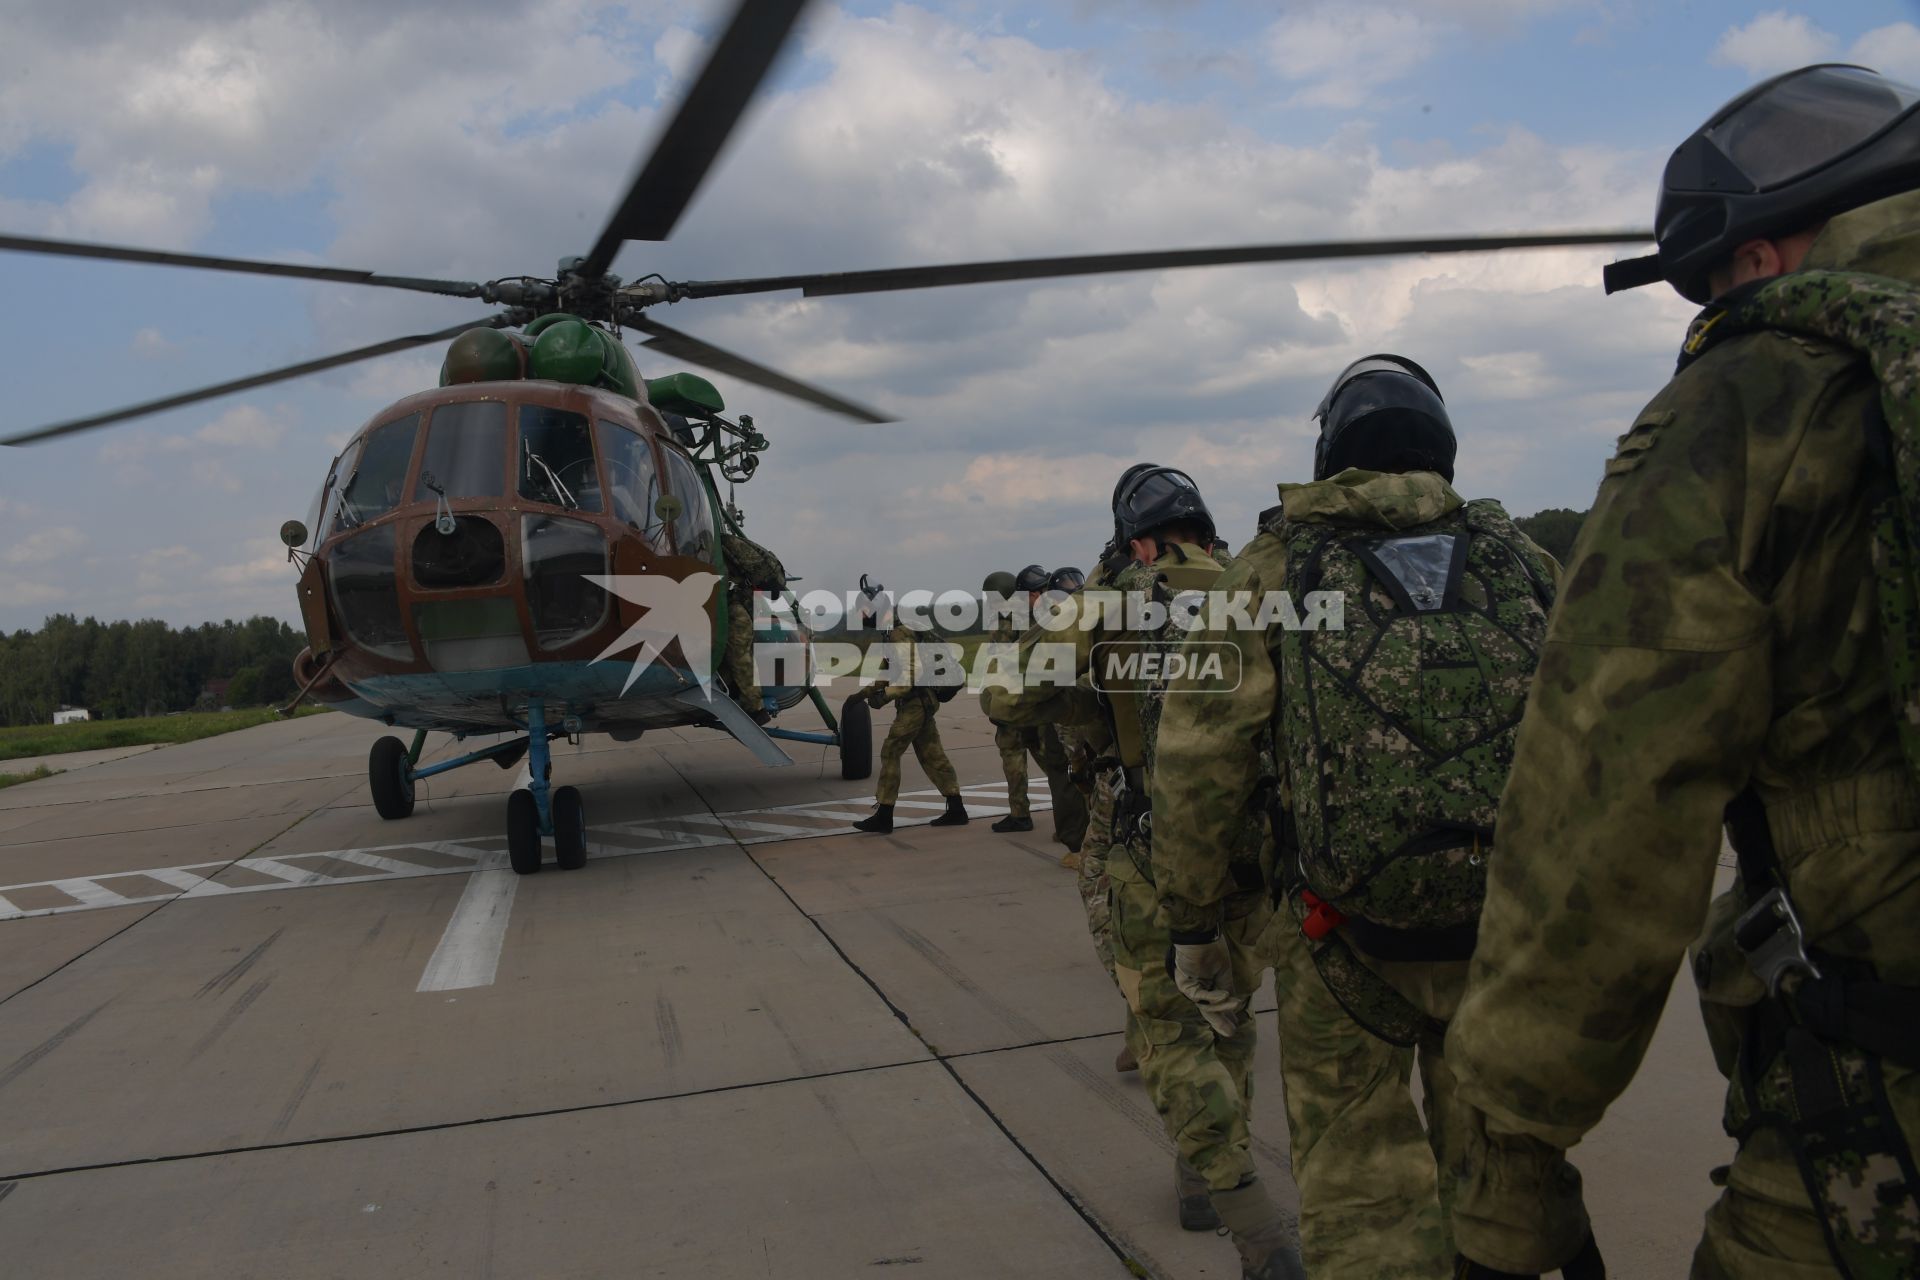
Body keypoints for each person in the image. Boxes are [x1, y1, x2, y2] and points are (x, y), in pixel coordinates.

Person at [1444, 64, 1920, 1278]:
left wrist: (1508, 1161)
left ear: (1758, 259)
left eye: (1711, 289)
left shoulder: (1765, 395)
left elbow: (1602, 807)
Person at [1150, 358, 1558, 1276]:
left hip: (1340, 938)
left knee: (1361, 1186)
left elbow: (1197, 761)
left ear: (1331, 448)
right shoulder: (1522, 562)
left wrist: (1192, 919)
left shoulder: (1273, 569)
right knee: (1497, 1179)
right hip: (1500, 934)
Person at [987, 467, 1304, 1277]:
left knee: (1166, 1031)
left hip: (1152, 849)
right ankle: (1199, 1177)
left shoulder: (1117, 598)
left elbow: (1006, 696)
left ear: (1136, 541)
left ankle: (1249, 1217)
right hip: (1254, 853)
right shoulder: (1261, 586)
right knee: (1227, 1015)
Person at [851, 615, 968, 834]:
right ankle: (956, 808)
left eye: (864, 611)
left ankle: (884, 816)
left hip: (916, 703)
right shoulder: (893, 634)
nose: (862, 616)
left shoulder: (899, 635)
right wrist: (862, 694)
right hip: (922, 701)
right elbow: (887, 672)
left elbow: (910, 678)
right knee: (932, 754)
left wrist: (883, 697)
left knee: (891, 751)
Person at [981, 570, 1039, 835]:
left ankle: (1020, 813)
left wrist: (996, 704)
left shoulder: (1006, 617)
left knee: (1012, 753)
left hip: (1013, 697)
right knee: (1052, 757)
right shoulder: (1031, 611)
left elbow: (1000, 661)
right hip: (1039, 693)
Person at [720, 529, 788, 718]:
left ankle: (753, 706)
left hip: (733, 597)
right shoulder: (754, 575)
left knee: (739, 650)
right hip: (735, 594)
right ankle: (735, 689)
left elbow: (740, 655)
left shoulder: (743, 598)